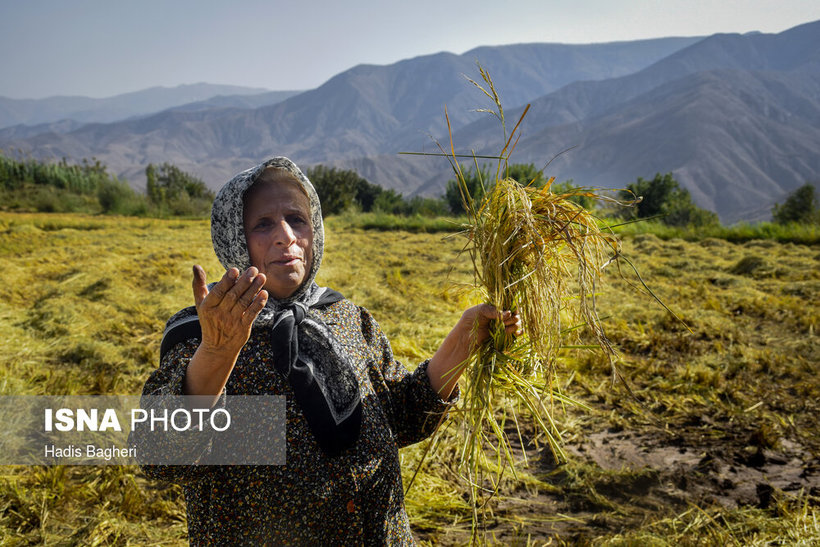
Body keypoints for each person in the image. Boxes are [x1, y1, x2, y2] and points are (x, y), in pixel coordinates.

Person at [132, 157, 520, 545]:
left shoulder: (344, 317)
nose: (286, 235)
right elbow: (161, 457)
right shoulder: (204, 331)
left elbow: (401, 415)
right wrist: (218, 353)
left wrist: (462, 342)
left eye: (297, 219)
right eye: (263, 224)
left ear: (315, 229)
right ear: (234, 236)